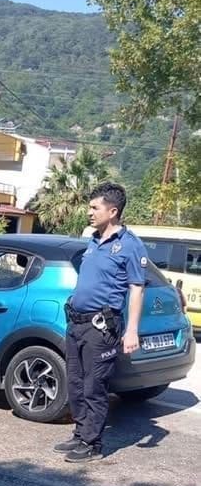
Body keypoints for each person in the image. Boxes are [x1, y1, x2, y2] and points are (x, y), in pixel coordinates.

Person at [55, 183, 148, 463]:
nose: (89, 212)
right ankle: (81, 432)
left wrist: (131, 330)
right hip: (77, 324)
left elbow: (137, 288)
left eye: (95, 208)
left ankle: (92, 443)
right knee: (75, 383)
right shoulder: (93, 241)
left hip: (101, 328)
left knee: (95, 385)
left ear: (113, 210)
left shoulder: (130, 245)